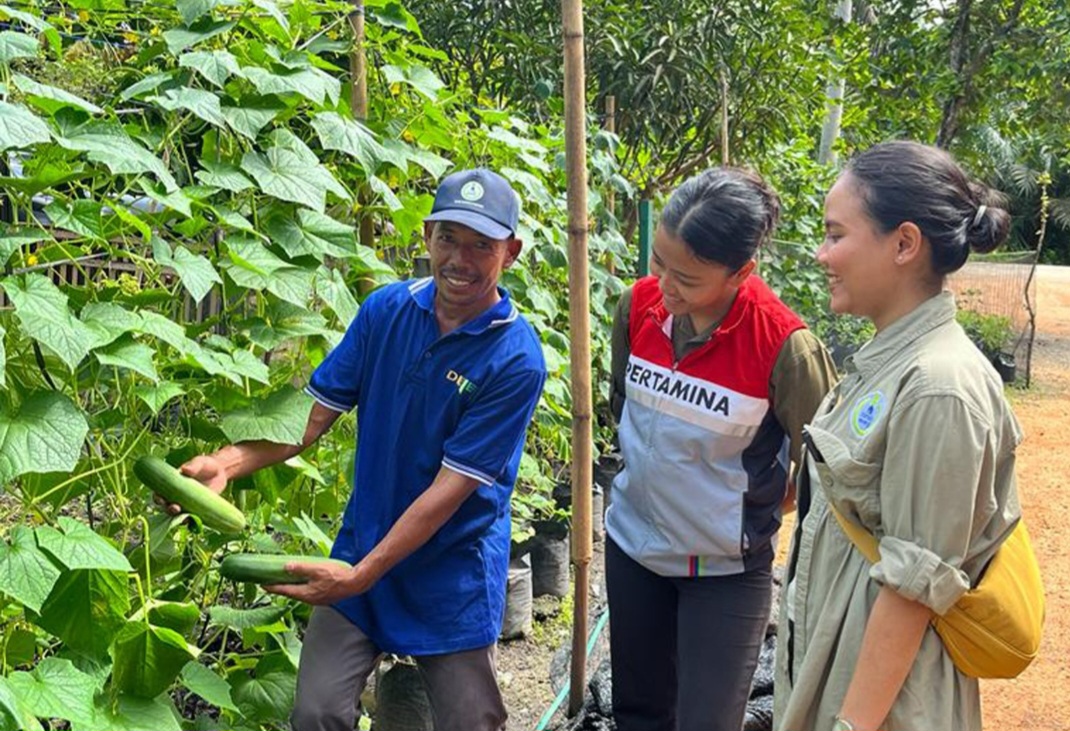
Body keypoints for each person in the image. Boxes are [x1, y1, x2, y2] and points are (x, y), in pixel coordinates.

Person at [178, 169, 547, 731]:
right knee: (317, 712)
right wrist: (225, 464)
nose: (460, 259)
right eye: (449, 237)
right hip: (362, 543)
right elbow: (311, 418)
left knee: (470, 722)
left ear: (511, 252)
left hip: (452, 569)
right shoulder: (385, 311)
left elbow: (446, 495)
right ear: (426, 236)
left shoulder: (516, 359)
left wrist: (358, 576)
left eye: (482, 245)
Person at [774, 141, 1021, 731]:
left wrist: (849, 725)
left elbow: (912, 590)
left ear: (905, 244)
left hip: (883, 710)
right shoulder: (887, 362)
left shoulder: (940, 387)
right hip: (831, 679)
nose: (820, 253)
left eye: (836, 235)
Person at [606, 167, 839, 731]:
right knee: (637, 713)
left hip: (725, 573)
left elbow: (825, 472)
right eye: (659, 263)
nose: (664, 288)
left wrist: (754, 511)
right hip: (632, 552)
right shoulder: (637, 308)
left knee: (708, 721)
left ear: (742, 273)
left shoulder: (785, 347)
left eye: (687, 278)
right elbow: (624, 411)